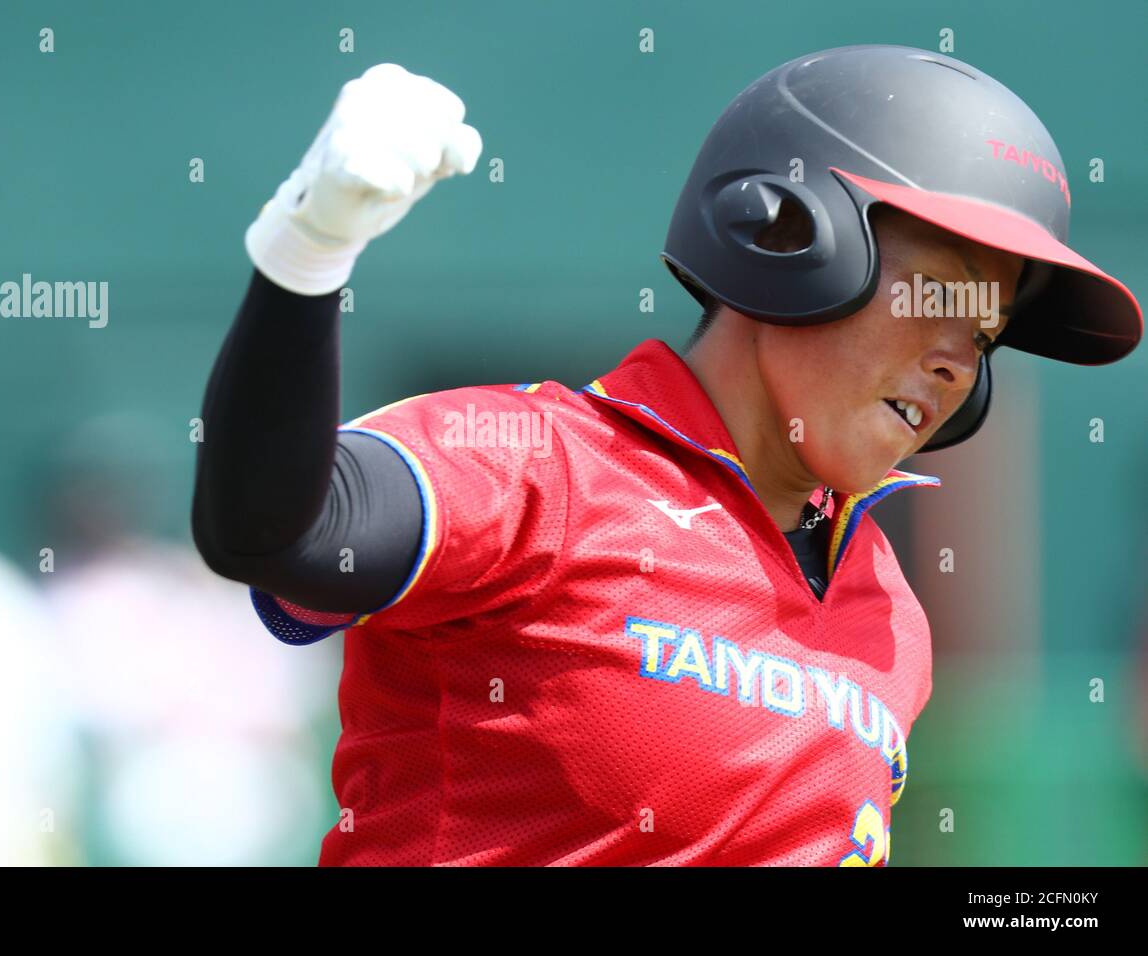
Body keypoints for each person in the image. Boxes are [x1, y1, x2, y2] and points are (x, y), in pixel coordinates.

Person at [192, 49, 1141, 865]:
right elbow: (281, 531)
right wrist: (309, 250)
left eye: (983, 335)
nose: (957, 358)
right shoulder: (544, 464)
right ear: (785, 237)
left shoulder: (889, 607)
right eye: (939, 296)